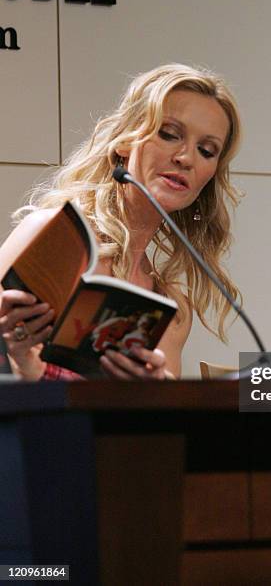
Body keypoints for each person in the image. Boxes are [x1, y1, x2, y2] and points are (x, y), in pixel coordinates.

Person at [0, 63, 241, 380]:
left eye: (207, 151)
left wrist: (155, 392)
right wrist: (18, 359)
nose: (186, 158)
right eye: (169, 134)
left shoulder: (171, 307)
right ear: (124, 142)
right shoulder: (51, 233)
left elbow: (157, 429)